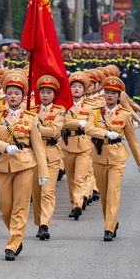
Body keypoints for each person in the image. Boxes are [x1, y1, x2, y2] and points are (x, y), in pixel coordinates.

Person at [0, 72, 48, 261]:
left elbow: (38, 145)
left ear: (23, 96)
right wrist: (5, 147)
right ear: (5, 95)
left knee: (20, 207)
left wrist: (43, 172)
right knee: (5, 208)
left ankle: (12, 244)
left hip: (25, 165)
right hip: (3, 165)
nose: (13, 96)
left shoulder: (31, 117)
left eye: (17, 93)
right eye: (10, 93)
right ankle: (16, 234)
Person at [85, 76, 140, 241]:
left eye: (114, 93)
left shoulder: (125, 114)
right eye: (107, 92)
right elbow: (89, 129)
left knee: (113, 192)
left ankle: (108, 228)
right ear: (104, 94)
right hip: (99, 156)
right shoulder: (96, 112)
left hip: (117, 156)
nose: (110, 96)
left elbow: (132, 139)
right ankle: (112, 221)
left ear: (119, 96)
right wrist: (105, 133)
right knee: (105, 194)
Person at [31, 75, 65, 241]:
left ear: (54, 94)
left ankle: (45, 225)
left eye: (48, 92)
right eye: (42, 92)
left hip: (51, 155)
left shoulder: (59, 110)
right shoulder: (31, 110)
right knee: (36, 192)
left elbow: (54, 132)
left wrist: (35, 127)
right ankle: (39, 222)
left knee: (47, 191)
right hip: (34, 155)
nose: (45, 95)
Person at [61, 72, 94, 220]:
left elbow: (94, 123)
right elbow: (62, 122)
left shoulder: (91, 106)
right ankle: (74, 201)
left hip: (85, 145)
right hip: (67, 145)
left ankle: (77, 205)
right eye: (73, 86)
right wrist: (79, 123)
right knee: (71, 179)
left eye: (79, 87)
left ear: (84, 89)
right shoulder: (63, 106)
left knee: (80, 178)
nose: (76, 89)